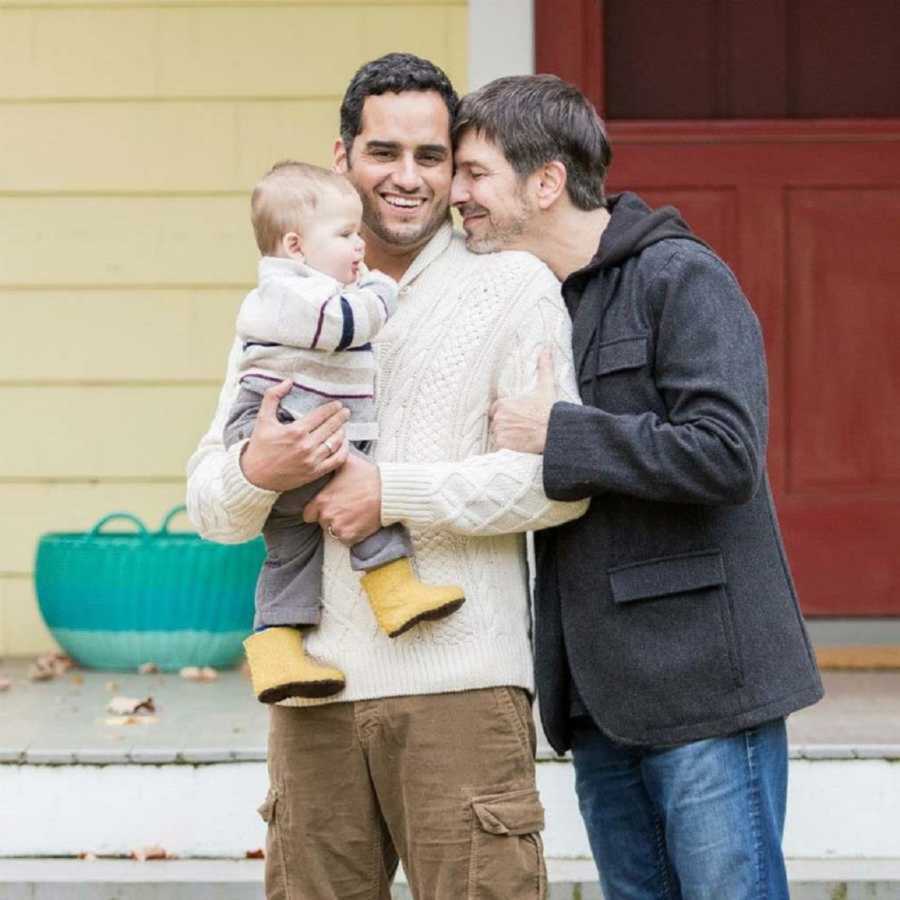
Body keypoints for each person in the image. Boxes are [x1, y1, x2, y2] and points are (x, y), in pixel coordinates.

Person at [186, 54, 587, 899]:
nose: (407, 178)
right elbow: (211, 509)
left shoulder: (512, 286)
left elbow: (557, 483)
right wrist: (260, 471)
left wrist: (389, 491)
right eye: (383, 153)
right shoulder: (281, 304)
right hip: (311, 695)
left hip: (461, 687)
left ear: (452, 168)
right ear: (343, 159)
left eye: (431, 157)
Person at [450, 74, 824, 900]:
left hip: (705, 689)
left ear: (545, 181)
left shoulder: (680, 279)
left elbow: (725, 454)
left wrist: (562, 433)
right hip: (597, 698)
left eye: (475, 173)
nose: (455, 193)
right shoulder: (525, 302)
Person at [223, 160, 465, 705]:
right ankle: (393, 589)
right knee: (353, 492)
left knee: (291, 546)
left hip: (298, 424)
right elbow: (345, 328)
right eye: (345, 235)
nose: (360, 247)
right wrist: (383, 290)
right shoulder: (292, 293)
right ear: (294, 246)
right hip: (284, 427)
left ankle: (277, 648)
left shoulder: (304, 286)